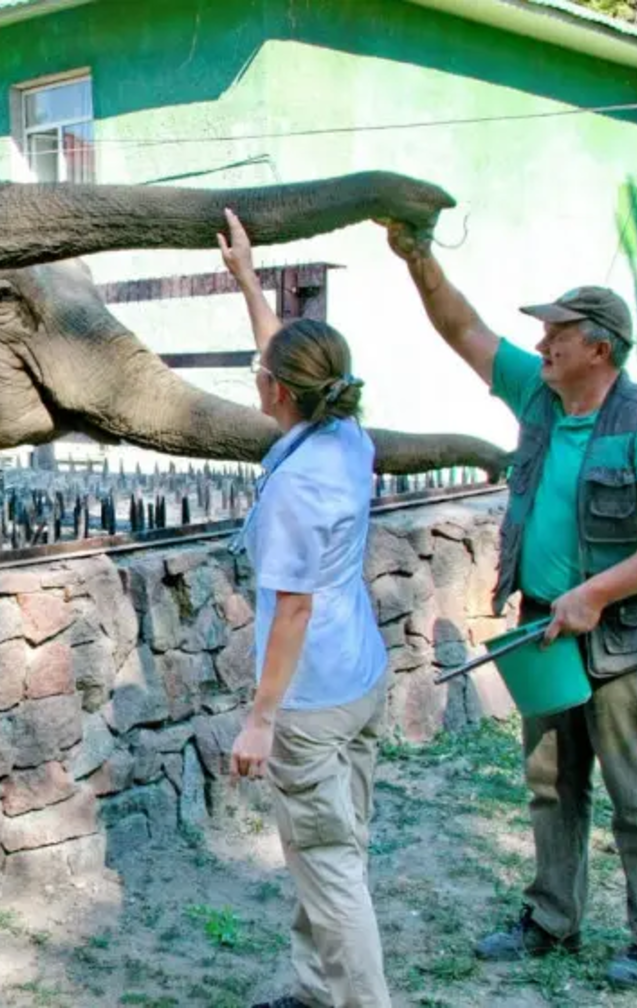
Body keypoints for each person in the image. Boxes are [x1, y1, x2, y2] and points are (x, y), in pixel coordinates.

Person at [381, 220, 637, 988]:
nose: (541, 346)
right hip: (545, 623)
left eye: (557, 333)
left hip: (626, 632)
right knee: (550, 782)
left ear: (599, 347)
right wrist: (418, 259)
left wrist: (595, 594)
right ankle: (553, 918)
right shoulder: (538, 397)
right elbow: (463, 329)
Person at [221, 209, 392, 1008]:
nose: (256, 379)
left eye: (261, 375)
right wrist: (249, 281)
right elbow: (283, 357)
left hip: (311, 695)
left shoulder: (293, 485)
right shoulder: (347, 435)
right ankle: (319, 991)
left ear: (278, 392)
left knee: (326, 865)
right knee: (335, 847)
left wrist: (261, 718)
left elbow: (289, 611)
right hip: (359, 678)